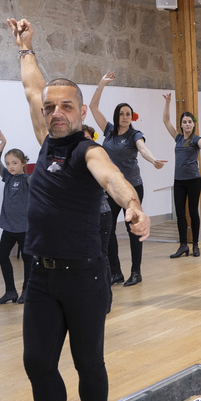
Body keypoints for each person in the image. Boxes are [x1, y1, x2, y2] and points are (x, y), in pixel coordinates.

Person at [6, 18, 151, 401]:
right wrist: (26, 48)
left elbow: (113, 178)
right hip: (42, 278)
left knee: (89, 364)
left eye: (65, 106)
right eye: (51, 108)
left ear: (81, 110)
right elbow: (31, 88)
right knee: (37, 363)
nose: (56, 113)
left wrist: (133, 205)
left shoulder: (87, 151)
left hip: (86, 279)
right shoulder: (45, 137)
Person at [90, 72, 166, 287]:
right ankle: (116, 272)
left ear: (132, 117)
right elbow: (94, 107)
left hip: (132, 189)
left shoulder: (134, 134)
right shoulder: (109, 131)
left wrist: (153, 160)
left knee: (134, 229)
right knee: (108, 230)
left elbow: (143, 149)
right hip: (111, 189)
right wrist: (101, 83)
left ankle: (136, 271)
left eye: (128, 114)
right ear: (117, 116)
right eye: (122, 113)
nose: (125, 117)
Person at [161, 93, 201, 258]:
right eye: (184, 122)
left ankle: (195, 245)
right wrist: (168, 102)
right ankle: (183, 245)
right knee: (180, 213)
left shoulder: (196, 139)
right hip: (179, 181)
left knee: (193, 212)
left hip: (193, 180)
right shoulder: (178, 138)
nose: (187, 124)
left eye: (189, 122)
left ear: (193, 124)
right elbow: (166, 121)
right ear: (181, 125)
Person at [0, 128, 33, 305]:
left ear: (23, 163)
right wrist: (3, 143)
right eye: (8, 163)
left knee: (28, 260)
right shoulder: (7, 177)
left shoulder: (28, 179)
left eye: (14, 163)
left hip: (25, 228)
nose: (10, 166)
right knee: (1, 255)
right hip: (9, 227)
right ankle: (10, 291)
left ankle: (27, 292)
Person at [82, 124, 114, 314]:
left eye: (86, 137)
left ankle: (106, 299)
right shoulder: (77, 159)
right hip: (84, 217)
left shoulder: (98, 158)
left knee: (101, 257)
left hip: (101, 215)